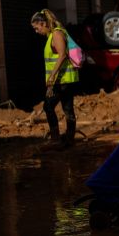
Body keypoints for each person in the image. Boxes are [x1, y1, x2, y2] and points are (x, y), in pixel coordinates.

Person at [31, 9, 79, 147]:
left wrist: (52, 76)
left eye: (36, 28)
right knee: (68, 108)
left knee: (48, 107)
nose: (36, 31)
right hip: (65, 79)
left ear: (43, 23)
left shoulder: (56, 34)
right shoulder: (53, 35)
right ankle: (69, 139)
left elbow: (62, 55)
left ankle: (56, 139)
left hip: (62, 80)